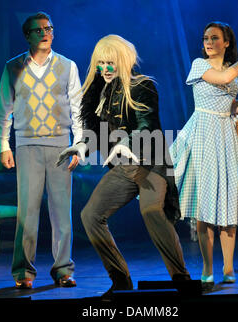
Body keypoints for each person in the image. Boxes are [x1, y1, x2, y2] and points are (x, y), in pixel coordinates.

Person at [57, 34, 191, 300]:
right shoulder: (97, 93)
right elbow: (92, 131)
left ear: (123, 61)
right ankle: (120, 279)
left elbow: (147, 124)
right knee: (90, 215)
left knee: (152, 210)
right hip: (123, 168)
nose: (105, 69)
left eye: (111, 63)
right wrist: (82, 147)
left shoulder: (142, 86)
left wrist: (127, 142)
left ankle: (181, 278)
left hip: (150, 164)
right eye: (101, 64)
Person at [169, 21, 238, 286]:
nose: (208, 42)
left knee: (227, 206)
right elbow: (224, 79)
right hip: (203, 134)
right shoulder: (200, 65)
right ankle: (208, 268)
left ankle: (229, 268)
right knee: (204, 207)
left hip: (225, 136)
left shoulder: (232, 72)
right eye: (205, 38)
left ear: (226, 42)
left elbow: (232, 107)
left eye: (214, 38)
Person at [0, 11, 82, 289]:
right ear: (27, 35)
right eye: (39, 29)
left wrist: (78, 144)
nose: (46, 33)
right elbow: (3, 109)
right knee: (27, 214)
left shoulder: (68, 66)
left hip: (59, 147)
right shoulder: (13, 67)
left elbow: (78, 108)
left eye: (49, 28)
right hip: (28, 146)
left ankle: (64, 270)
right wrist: (4, 144)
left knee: (61, 214)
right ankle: (23, 273)